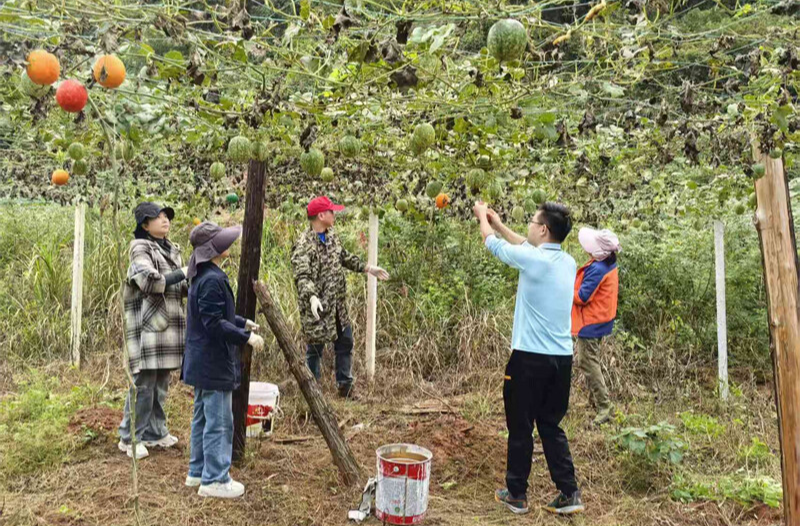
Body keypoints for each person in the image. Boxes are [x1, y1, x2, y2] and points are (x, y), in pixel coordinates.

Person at [475, 201, 584, 516]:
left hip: (529, 360)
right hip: (561, 360)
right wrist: (499, 223)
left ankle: (517, 494)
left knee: (520, 425)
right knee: (550, 425)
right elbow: (525, 246)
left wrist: (483, 218)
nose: (529, 226)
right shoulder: (567, 262)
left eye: (533, 221)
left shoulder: (534, 260)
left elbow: (492, 244)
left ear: (544, 229)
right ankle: (569, 493)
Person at [182, 222, 265, 499]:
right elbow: (214, 323)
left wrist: (242, 322)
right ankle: (215, 479)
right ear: (211, 249)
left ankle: (197, 471)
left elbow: (215, 314)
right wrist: (245, 337)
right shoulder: (212, 279)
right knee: (218, 421)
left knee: (203, 418)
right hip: (213, 363)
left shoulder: (203, 274)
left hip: (202, 363)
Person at [291, 196, 389, 399]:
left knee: (345, 341)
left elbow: (342, 256)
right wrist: (311, 297)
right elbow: (302, 276)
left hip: (336, 304)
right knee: (315, 348)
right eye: (331, 211)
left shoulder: (331, 236)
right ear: (321, 215)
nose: (334, 214)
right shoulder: (303, 244)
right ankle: (312, 393)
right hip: (318, 306)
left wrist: (368, 268)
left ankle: (345, 387)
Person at [119, 202, 189, 460]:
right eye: (157, 217)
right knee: (144, 383)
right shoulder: (140, 247)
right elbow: (149, 280)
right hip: (148, 325)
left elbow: (179, 286)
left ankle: (155, 431)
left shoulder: (172, 248)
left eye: (166, 216)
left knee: (161, 381)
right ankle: (130, 437)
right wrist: (182, 273)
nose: (164, 220)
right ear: (145, 225)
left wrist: (193, 279)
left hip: (168, 325)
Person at [572, 227, 620, 426]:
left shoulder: (598, 269)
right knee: (591, 359)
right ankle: (595, 400)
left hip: (591, 322)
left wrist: (565, 289)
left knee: (587, 361)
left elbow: (582, 297)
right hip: (601, 319)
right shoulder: (607, 264)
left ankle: (604, 406)